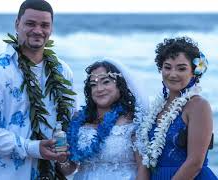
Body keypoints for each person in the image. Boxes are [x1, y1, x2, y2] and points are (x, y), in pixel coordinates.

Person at [0, 0, 76, 179]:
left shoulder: (63, 71)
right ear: (17, 24)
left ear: (51, 29)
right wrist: (32, 148)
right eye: (30, 23)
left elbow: (71, 122)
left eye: (44, 25)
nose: (38, 30)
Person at [135, 37, 217, 179]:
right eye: (167, 67)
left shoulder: (198, 106)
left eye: (181, 68)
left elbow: (195, 162)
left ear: (194, 72)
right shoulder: (157, 108)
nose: (173, 74)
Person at [57, 60, 148, 180]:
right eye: (93, 85)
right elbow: (69, 170)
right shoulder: (78, 121)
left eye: (105, 82)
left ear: (119, 85)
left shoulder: (133, 120)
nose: (99, 89)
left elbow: (143, 167)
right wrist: (61, 158)